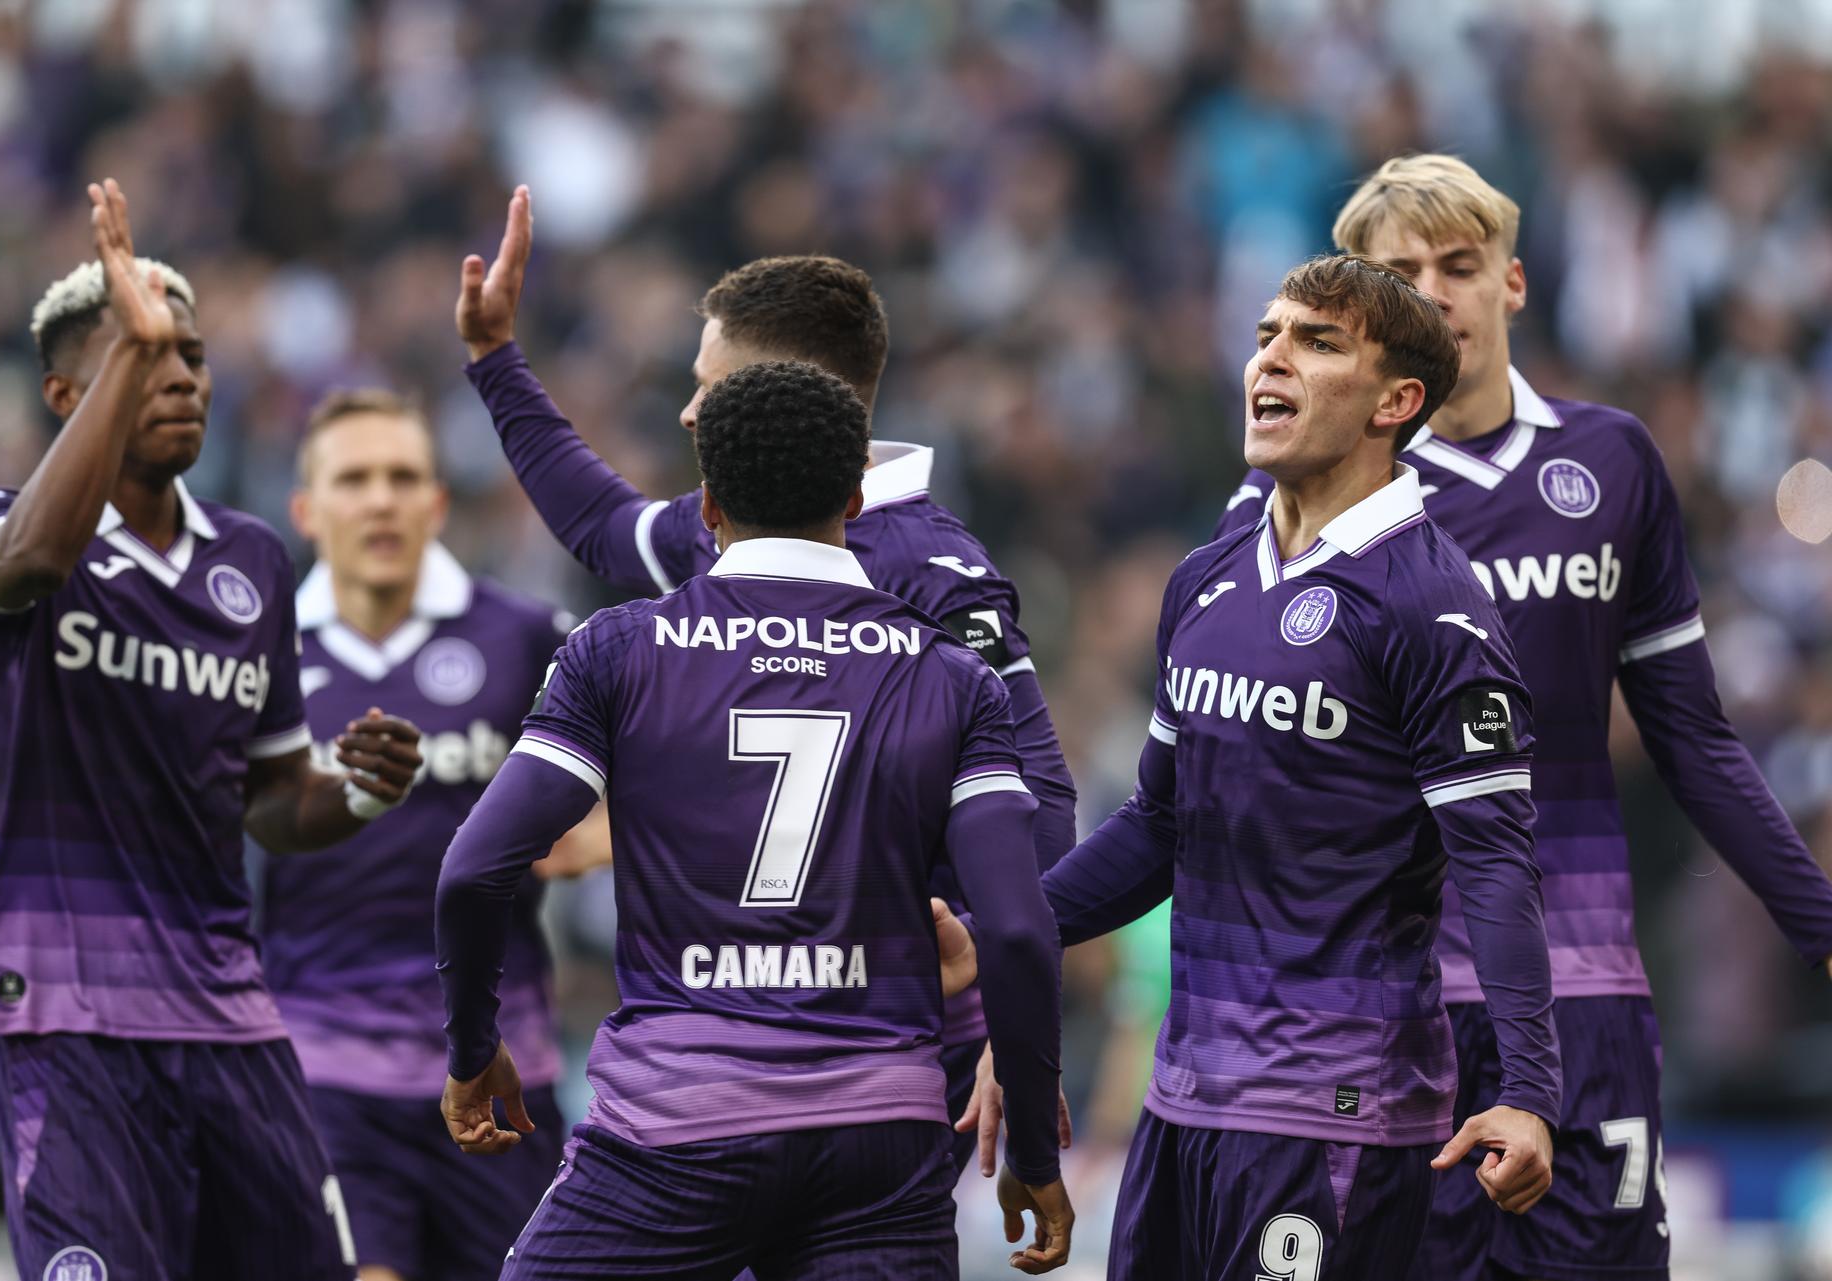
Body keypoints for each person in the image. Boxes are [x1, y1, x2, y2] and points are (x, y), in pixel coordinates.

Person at [1214, 153, 1832, 1281]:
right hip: (1388, 1007)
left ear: (1514, 283)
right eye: (1401, 272)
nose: (1436, 292)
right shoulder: (1296, 490)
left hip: (1583, 987)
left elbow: (1693, 739)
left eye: (1460, 264)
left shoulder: (1612, 463)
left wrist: (1819, 919)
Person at [456, 186, 1077, 1171]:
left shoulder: (925, 566)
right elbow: (602, 525)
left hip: (890, 1039)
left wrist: (1017, 1027)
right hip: (733, 1027)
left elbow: (1038, 791)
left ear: (786, 392)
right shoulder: (743, 531)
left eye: (710, 382)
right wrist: (496, 363)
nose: (690, 407)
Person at [974, 254, 1564, 1277]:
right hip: (1180, 1107)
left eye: (1317, 342)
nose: (1271, 361)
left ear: (1397, 401)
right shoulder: (1206, 581)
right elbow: (1159, 825)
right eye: (1266, 337)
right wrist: (1010, 929)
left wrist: (1531, 1090)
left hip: (1334, 1116)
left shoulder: (1435, 610)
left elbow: (1499, 868)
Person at [0, 180, 422, 1281]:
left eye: (191, 355)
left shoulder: (251, 563)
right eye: (141, 356)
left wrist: (356, 791)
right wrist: (126, 355)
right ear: (70, 392)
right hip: (67, 1012)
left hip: (227, 1013)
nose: (181, 376)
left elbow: (270, 798)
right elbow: (31, 564)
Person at [259, 387, 587, 1281]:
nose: (380, 499)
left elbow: (611, 807)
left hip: (496, 1067)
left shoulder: (525, 638)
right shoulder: (259, 651)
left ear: (437, 503)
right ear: (306, 508)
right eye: (354, 478)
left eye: (403, 477)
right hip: (322, 1072)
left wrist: (590, 837)